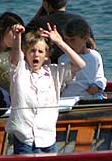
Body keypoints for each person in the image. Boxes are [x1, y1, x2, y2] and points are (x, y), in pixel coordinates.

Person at [7, 23, 86, 154]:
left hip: (47, 138)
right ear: (26, 53)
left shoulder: (54, 72)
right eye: (32, 51)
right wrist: (17, 37)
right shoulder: (20, 71)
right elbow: (16, 55)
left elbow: (80, 64)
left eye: (40, 51)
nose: (36, 55)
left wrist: (60, 42)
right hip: (24, 139)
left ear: (46, 55)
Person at [26, 0, 92, 63]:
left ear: (45, 3)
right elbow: (91, 47)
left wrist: (41, 11)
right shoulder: (80, 21)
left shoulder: (38, 23)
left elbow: (24, 42)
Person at [58, 18, 107, 100]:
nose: (69, 44)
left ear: (85, 38)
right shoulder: (63, 59)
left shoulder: (95, 56)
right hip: (70, 98)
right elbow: (62, 84)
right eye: (66, 40)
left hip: (91, 97)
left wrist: (97, 85)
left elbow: (100, 77)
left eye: (72, 40)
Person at [0, 12, 24, 94]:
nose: (17, 36)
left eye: (20, 33)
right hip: (6, 97)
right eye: (14, 31)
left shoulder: (22, 51)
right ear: (2, 29)